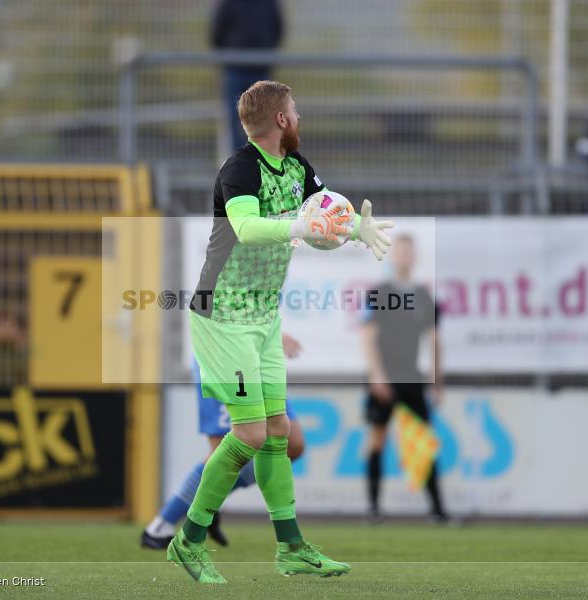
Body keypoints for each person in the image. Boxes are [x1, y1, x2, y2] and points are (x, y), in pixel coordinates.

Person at [167, 80, 393, 583]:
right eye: (296, 110)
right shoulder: (240, 169)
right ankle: (188, 540)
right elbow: (247, 228)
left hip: (263, 315)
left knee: (277, 434)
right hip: (222, 315)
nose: (300, 117)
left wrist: (357, 228)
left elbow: (325, 214)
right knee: (247, 434)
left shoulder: (297, 167)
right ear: (282, 121)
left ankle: (291, 548)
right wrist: (299, 230)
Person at [141, 334, 306, 550]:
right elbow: (207, 305)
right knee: (228, 450)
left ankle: (209, 499)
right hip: (222, 356)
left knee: (292, 444)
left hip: (258, 360)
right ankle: (160, 527)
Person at [361, 235, 448, 524]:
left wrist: (437, 382)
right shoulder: (380, 292)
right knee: (378, 439)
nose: (404, 257)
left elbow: (435, 341)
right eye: (400, 252)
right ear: (393, 257)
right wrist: (377, 375)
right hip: (386, 376)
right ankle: (373, 509)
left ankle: (437, 511)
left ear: (415, 257)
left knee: (423, 443)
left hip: (412, 377)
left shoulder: (423, 296)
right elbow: (368, 337)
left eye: (409, 252)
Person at [210, 0, 284, 149]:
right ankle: (239, 162)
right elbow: (217, 32)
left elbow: (278, 29)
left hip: (260, 69)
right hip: (235, 69)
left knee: (262, 120)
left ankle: (259, 162)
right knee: (234, 119)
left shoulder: (269, 3)